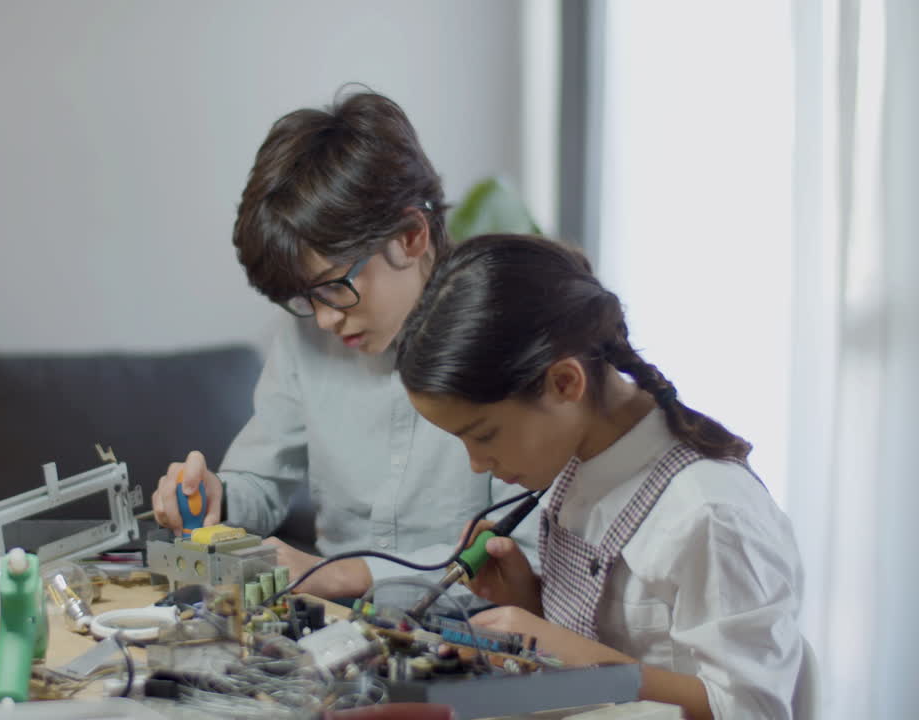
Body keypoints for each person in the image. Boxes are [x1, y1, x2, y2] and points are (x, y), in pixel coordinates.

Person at [149, 89, 539, 599]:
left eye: (336, 284)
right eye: (306, 297)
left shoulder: (507, 335)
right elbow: (262, 481)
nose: (327, 318)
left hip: (471, 628)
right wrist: (217, 498)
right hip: (336, 627)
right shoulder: (305, 337)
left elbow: (522, 554)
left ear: (411, 236)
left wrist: (346, 575)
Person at [394, 234, 805, 719]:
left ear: (565, 383)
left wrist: (572, 657)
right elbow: (598, 636)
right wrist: (529, 604)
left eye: (483, 435)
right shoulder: (576, 463)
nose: (477, 464)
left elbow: (752, 710)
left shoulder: (711, 516)